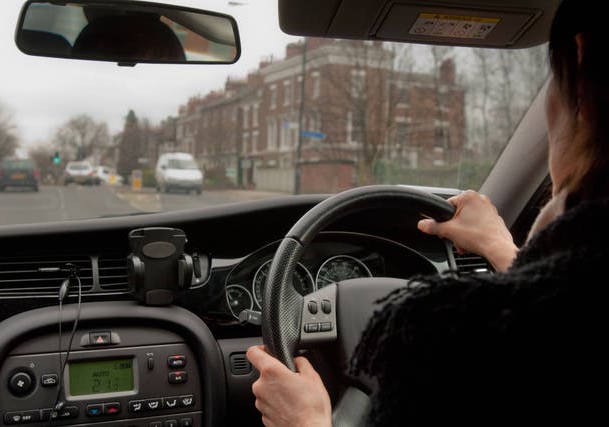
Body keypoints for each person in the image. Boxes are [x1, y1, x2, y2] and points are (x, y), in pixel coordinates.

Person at [246, 0, 608, 425]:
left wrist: (306, 422)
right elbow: (557, 323)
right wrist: (499, 246)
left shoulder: (437, 334)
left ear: (579, 73)